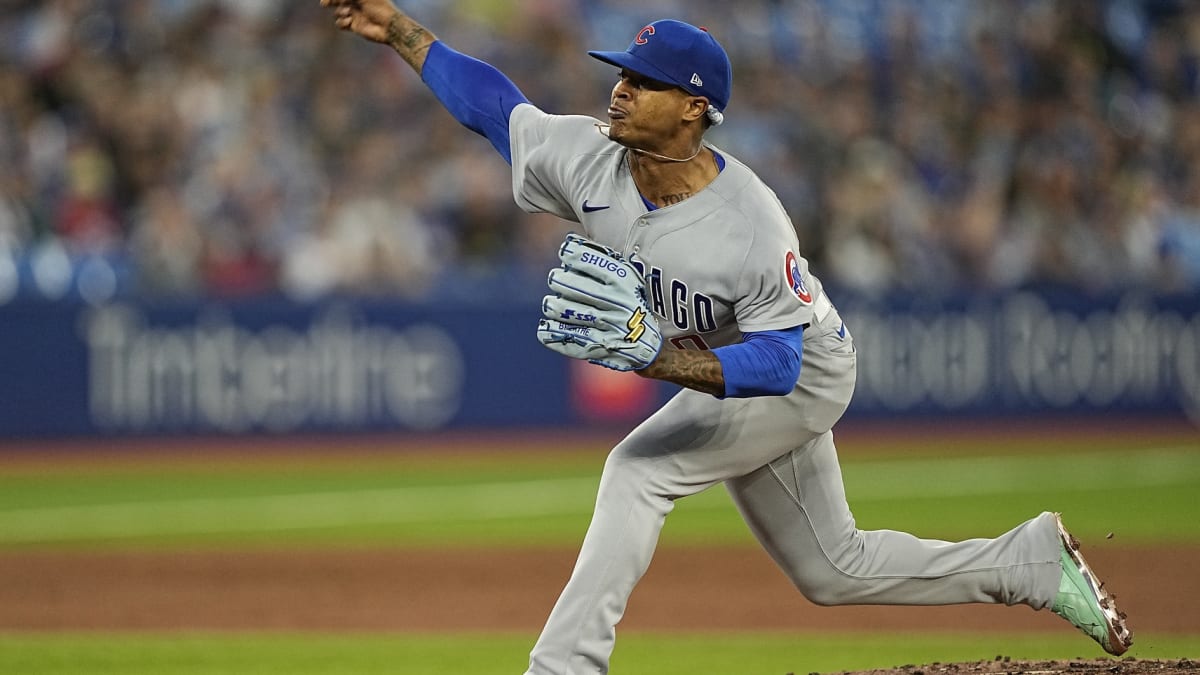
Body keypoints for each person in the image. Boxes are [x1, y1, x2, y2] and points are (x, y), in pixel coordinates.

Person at [318, 2, 1134, 673]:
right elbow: (493, 108)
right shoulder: (589, 160)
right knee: (831, 567)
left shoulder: (749, 221)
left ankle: (564, 665)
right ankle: (1026, 562)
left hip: (804, 367)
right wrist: (401, 33)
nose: (622, 90)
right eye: (624, 74)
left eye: (647, 82)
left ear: (696, 107)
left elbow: (779, 361)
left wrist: (662, 359)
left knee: (637, 469)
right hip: (734, 367)